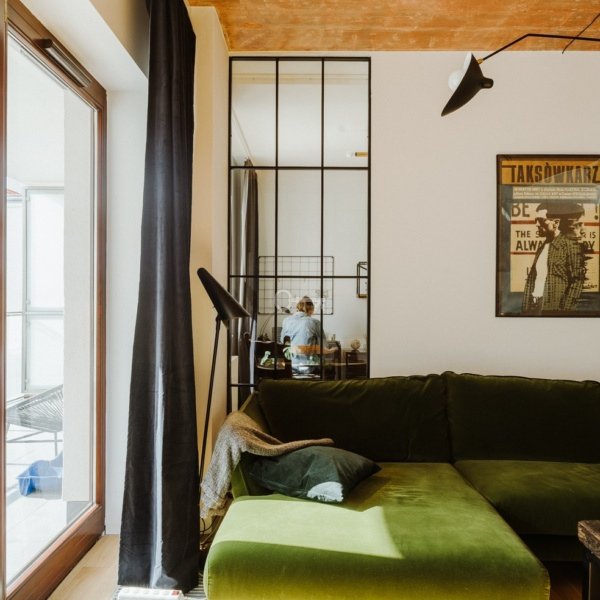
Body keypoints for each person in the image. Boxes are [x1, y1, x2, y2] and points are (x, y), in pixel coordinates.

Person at [522, 202, 586, 314]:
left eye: (541, 220)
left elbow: (577, 282)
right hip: (533, 307)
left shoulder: (571, 246)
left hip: (553, 308)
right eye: (536, 220)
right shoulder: (543, 246)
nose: (537, 224)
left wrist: (566, 311)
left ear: (556, 223)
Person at [280, 296, 323, 374]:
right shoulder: (315, 322)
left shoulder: (286, 321)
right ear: (310, 310)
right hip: (309, 368)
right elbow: (323, 346)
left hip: (290, 367)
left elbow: (283, 342)